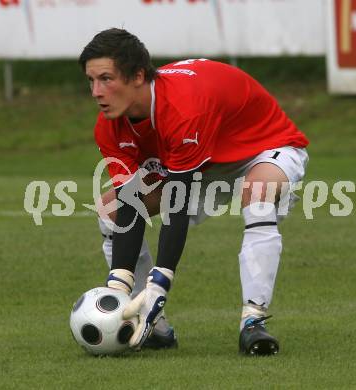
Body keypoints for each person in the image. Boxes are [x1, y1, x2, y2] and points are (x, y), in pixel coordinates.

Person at [79, 28, 309, 356]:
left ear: (138, 76)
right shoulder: (109, 125)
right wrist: (119, 287)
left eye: (105, 78)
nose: (96, 92)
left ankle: (253, 322)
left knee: (257, 194)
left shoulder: (183, 108)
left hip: (259, 147)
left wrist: (160, 283)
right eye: (91, 81)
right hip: (201, 161)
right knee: (111, 210)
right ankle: (154, 328)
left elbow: (177, 204)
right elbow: (130, 205)